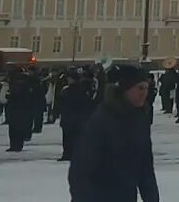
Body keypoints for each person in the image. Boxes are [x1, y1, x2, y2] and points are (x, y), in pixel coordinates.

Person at [68, 64, 160, 202]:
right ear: (125, 89)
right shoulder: (102, 120)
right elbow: (80, 170)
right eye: (140, 88)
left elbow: (145, 168)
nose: (144, 93)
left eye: (147, 88)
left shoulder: (140, 119)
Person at [57, 70, 96, 162]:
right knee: (77, 137)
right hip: (79, 118)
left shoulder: (66, 91)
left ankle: (67, 154)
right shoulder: (84, 90)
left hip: (69, 117)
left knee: (67, 137)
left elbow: (61, 103)